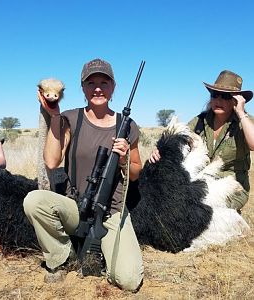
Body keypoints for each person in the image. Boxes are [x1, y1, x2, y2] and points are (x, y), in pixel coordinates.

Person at [24, 58, 144, 291]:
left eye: (103, 82)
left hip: (112, 211)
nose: (97, 88)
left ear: (113, 87)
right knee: (34, 201)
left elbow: (136, 172)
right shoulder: (70, 118)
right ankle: (62, 258)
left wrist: (124, 158)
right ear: (82, 88)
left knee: (129, 281)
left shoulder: (127, 125)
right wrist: (55, 117)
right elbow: (51, 161)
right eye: (91, 83)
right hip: (76, 206)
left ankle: (99, 252)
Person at [150, 70, 254, 211]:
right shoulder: (200, 120)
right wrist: (160, 149)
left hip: (232, 186)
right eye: (215, 95)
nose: (219, 100)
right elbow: (178, 136)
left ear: (236, 100)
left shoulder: (245, 122)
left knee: (199, 209)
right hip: (201, 182)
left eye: (225, 96)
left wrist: (241, 113)